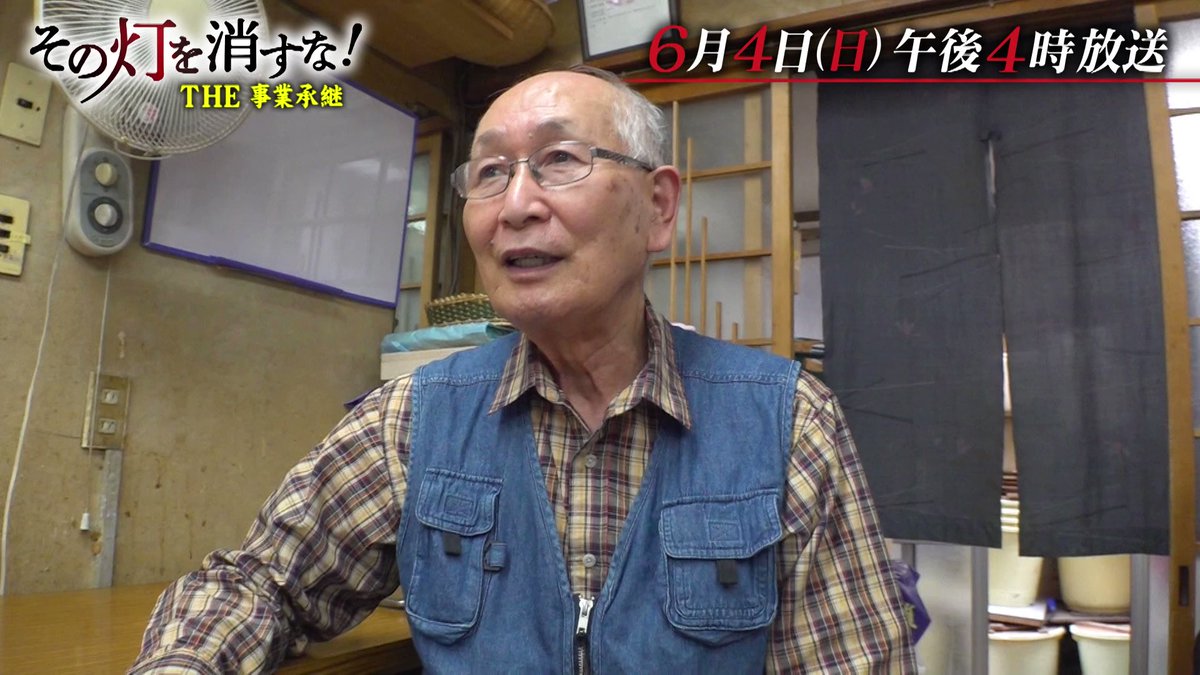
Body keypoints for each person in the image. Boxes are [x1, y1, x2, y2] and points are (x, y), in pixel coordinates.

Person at [130, 65, 916, 674]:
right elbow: (258, 582)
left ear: (658, 207)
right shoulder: (413, 418)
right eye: (489, 173)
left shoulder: (788, 421)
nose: (515, 206)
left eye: (560, 160)